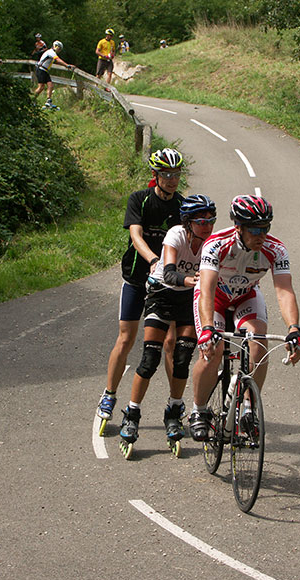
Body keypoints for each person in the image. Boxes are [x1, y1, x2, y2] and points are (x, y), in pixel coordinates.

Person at [188, 195, 300, 441]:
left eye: (265, 228)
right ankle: (198, 411)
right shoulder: (216, 245)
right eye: (254, 229)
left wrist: (294, 329)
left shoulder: (275, 249)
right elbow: (207, 289)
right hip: (215, 298)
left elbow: (284, 291)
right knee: (214, 349)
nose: (260, 235)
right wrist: (208, 328)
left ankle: (249, 408)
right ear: (238, 227)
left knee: (258, 345)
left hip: (246, 297)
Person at [96, 148, 187, 425]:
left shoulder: (182, 206)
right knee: (126, 338)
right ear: (155, 175)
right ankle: (109, 395)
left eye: (176, 174)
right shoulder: (140, 200)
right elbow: (136, 234)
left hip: (166, 284)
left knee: (171, 343)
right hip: (137, 277)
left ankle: (175, 404)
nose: (172, 180)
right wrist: (153, 260)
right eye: (166, 174)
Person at [118, 195, 217, 445]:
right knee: (150, 359)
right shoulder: (175, 235)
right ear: (187, 222)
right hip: (162, 294)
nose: (207, 227)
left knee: (182, 359)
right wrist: (191, 280)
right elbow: (170, 273)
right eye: (201, 222)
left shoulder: (212, 243)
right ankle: (132, 413)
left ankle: (173, 411)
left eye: (210, 221)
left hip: (188, 300)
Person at [33, 40, 75, 108]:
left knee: (50, 85)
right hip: (41, 69)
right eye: (59, 48)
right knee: (41, 87)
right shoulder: (51, 52)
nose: (59, 50)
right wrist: (67, 65)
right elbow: (58, 60)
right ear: (55, 46)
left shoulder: (52, 52)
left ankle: (48, 101)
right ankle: (32, 100)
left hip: (44, 70)